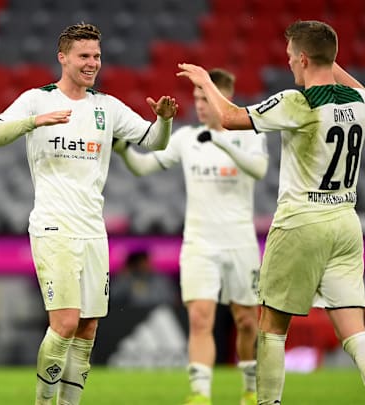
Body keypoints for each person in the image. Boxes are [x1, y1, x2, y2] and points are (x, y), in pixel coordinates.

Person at [178, 20, 365, 405]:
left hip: (301, 221)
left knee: (272, 327)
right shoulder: (358, 103)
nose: (289, 62)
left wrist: (205, 82)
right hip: (346, 222)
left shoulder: (298, 102)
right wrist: (330, 60)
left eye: (292, 56)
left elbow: (229, 118)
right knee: (354, 331)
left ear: (305, 59)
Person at [0, 22, 177, 405]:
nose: (92, 63)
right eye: (84, 55)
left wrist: (165, 120)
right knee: (66, 322)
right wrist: (33, 122)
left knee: (87, 328)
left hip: (93, 230)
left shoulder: (106, 106)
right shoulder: (37, 100)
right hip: (54, 226)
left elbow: (154, 141)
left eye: (97, 56)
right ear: (63, 57)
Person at [114, 68, 267, 405]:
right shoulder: (186, 139)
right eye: (196, 98)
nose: (199, 105)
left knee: (246, 321)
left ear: (223, 98)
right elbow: (143, 167)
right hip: (199, 242)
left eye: (205, 98)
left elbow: (259, 170)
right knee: (199, 318)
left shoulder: (249, 136)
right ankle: (200, 394)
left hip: (240, 241)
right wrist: (124, 151)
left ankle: (250, 388)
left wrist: (221, 140)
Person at [109, 249, 178, 310]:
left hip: (158, 313)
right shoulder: (124, 279)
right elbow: (112, 297)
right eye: (140, 263)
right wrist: (123, 277)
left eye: (145, 262)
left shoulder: (160, 279)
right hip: (130, 315)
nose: (144, 265)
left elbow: (171, 299)